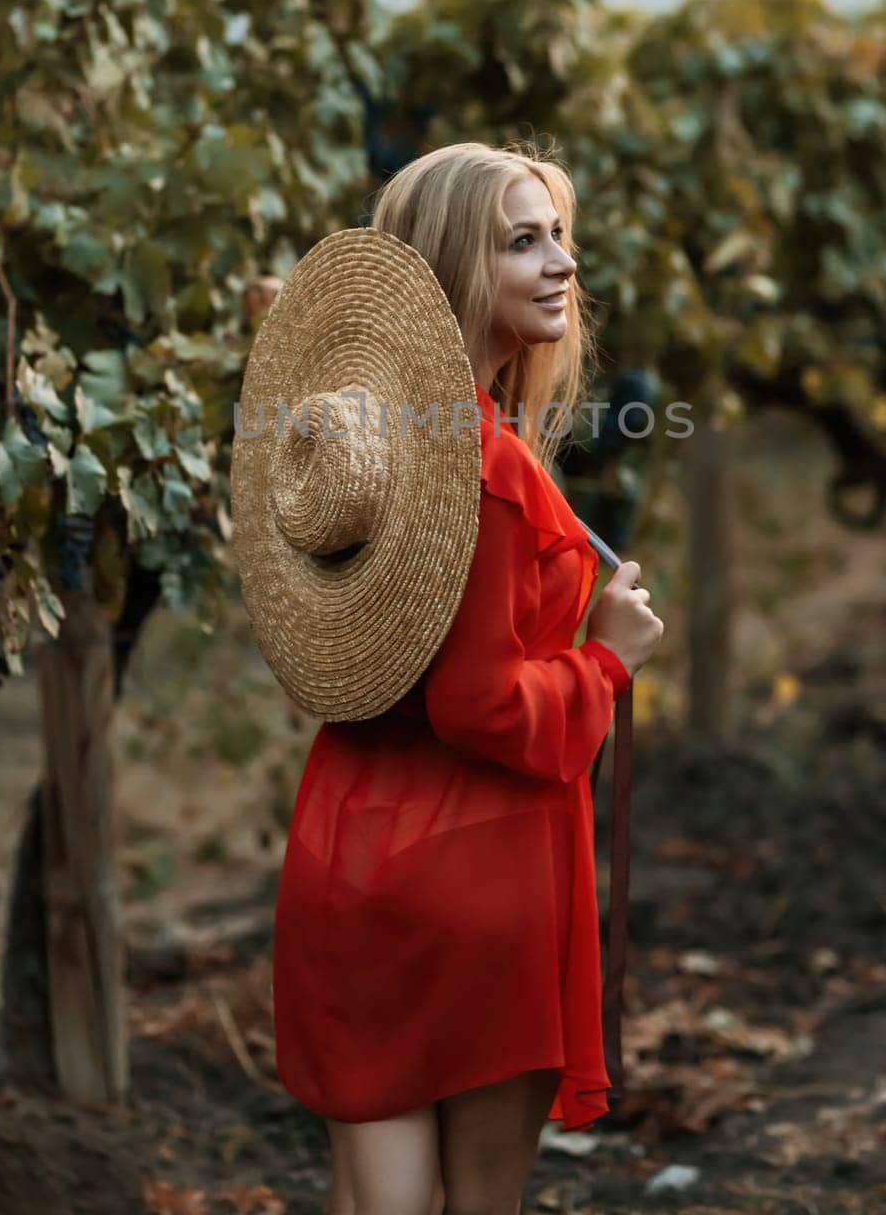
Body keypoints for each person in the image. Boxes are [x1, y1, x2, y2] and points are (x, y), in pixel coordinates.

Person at [270, 141, 664, 1215]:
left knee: (373, 1202)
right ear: (452, 267)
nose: (559, 265)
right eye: (522, 242)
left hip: (348, 843)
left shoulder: (375, 439)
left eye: (560, 238)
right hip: (474, 860)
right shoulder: (483, 466)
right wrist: (604, 660)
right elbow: (479, 704)